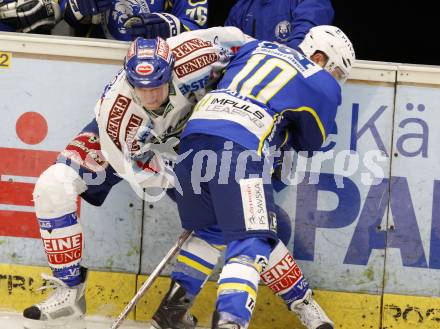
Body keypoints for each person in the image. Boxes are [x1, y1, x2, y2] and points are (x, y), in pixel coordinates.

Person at [22, 26, 251, 326]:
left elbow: (248, 47)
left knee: (229, 218)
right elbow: (142, 173)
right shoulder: (116, 116)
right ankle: (69, 292)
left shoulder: (197, 53)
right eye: (141, 87)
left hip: (193, 134)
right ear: (128, 81)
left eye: (157, 84)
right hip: (135, 147)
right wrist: (188, 180)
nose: (151, 95)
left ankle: (174, 311)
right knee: (53, 187)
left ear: (171, 70)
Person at [152, 25, 355, 329]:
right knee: (252, 240)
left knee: (211, 230)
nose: (335, 79)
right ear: (320, 56)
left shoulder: (254, 47)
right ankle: (231, 321)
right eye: (337, 72)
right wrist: (284, 133)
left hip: (193, 141)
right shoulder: (322, 81)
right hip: (239, 152)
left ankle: (171, 312)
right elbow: (310, 142)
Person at [62, 0, 208, 40]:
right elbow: (63, 13)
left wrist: (175, 28)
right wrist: (75, 7)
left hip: (156, 69)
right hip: (98, 59)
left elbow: (199, 31)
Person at [225, 0, 334, 49]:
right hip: (247, 82)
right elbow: (225, 46)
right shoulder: (241, 6)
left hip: (292, 79)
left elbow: (307, 38)